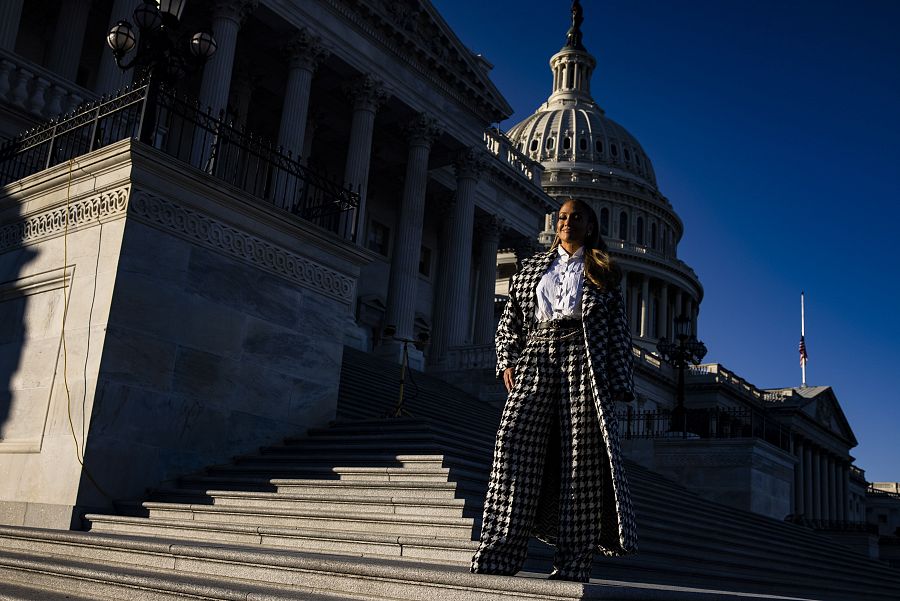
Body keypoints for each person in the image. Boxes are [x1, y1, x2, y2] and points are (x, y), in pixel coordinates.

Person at [471, 198, 638, 582]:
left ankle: (574, 562)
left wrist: (617, 386)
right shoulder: (532, 268)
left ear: (590, 226)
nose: (567, 222)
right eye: (562, 216)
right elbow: (510, 321)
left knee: (581, 462)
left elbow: (618, 333)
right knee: (512, 446)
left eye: (576, 217)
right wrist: (507, 360)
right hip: (537, 354)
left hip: (584, 358)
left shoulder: (603, 274)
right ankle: (499, 554)